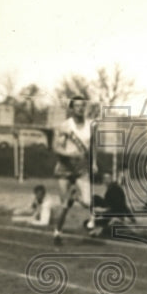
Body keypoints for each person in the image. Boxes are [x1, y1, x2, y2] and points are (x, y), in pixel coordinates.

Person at [52, 96, 95, 244]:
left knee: (87, 201)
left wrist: (93, 163)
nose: (80, 108)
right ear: (72, 108)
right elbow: (56, 148)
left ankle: (75, 198)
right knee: (64, 206)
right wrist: (69, 154)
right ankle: (57, 232)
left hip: (81, 168)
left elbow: (92, 147)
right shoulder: (65, 126)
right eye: (77, 106)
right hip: (65, 168)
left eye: (82, 106)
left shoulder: (90, 126)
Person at [90, 171, 135, 236]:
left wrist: (131, 218)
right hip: (112, 212)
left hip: (115, 214)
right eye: (104, 179)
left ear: (110, 179)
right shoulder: (111, 188)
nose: (104, 181)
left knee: (96, 224)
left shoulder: (115, 189)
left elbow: (122, 205)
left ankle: (103, 228)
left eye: (106, 179)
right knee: (95, 198)